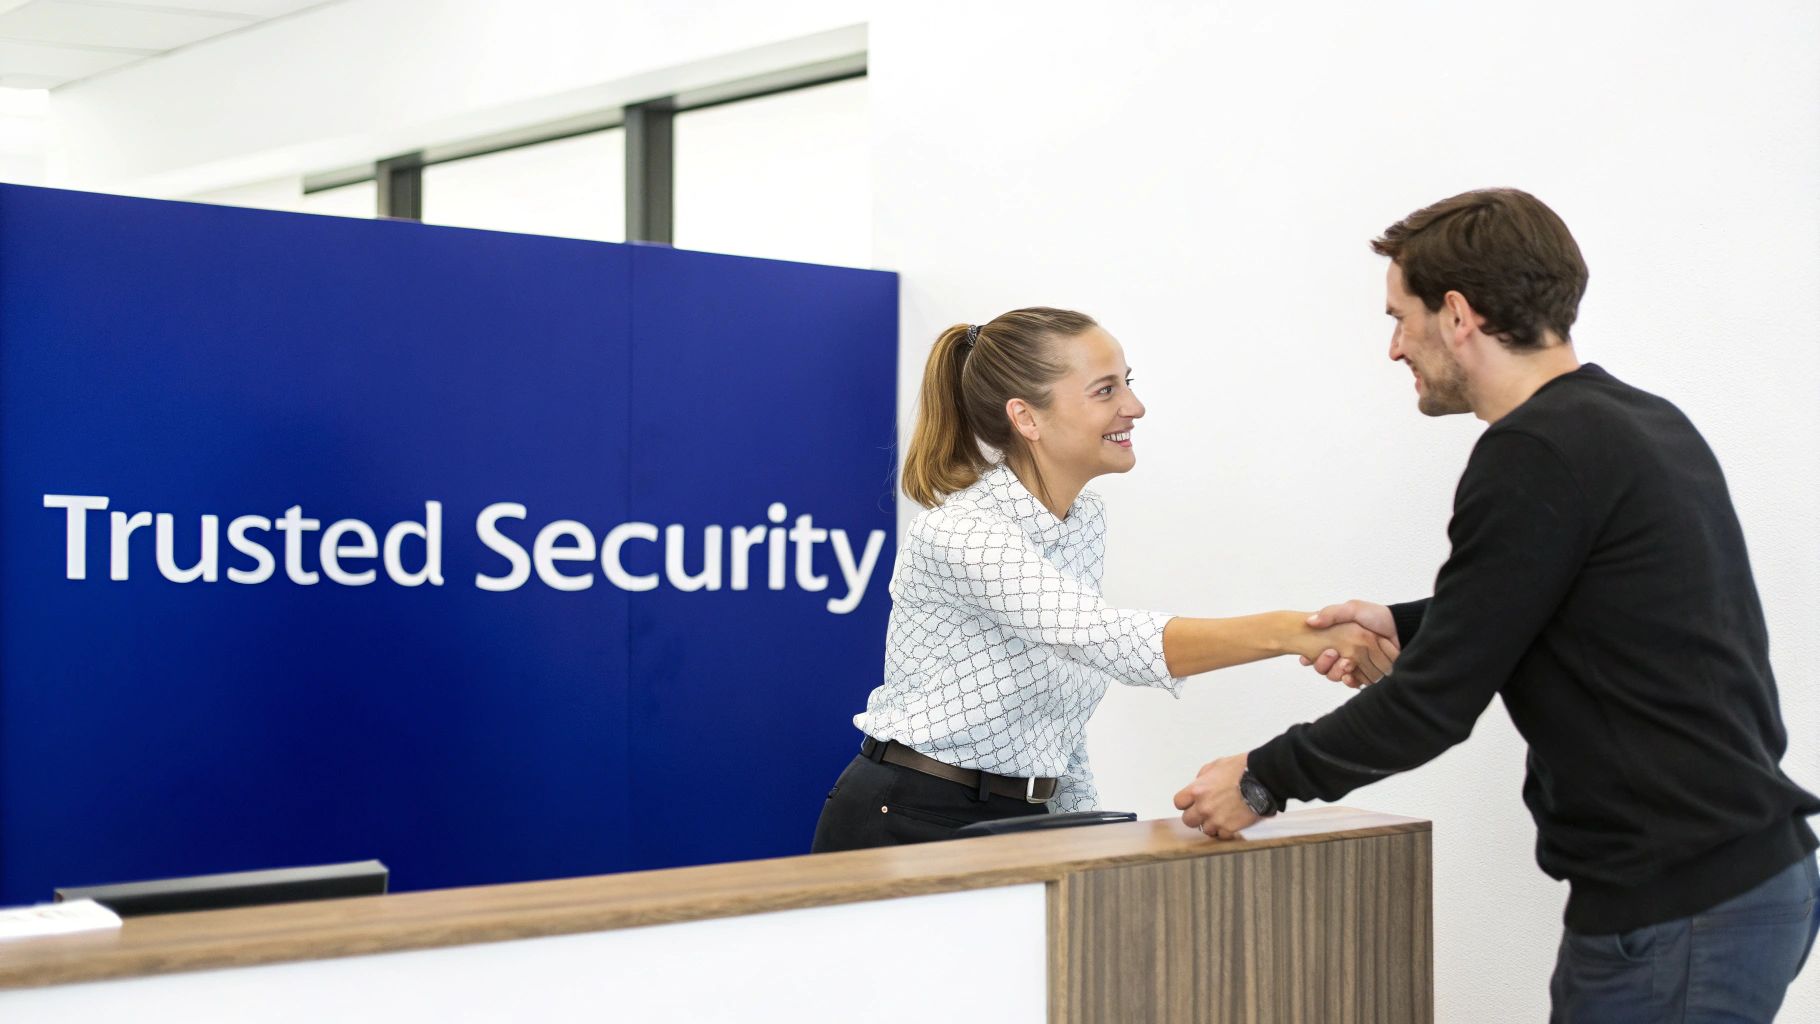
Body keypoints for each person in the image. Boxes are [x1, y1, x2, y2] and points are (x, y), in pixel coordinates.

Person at [1172, 188, 1820, 1022]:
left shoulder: (1533, 452)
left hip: (1679, 908)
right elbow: (1563, 606)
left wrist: (1263, 779)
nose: (1394, 347)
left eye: (1398, 317)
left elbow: (1433, 706)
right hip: (1739, 880)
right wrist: (1403, 624)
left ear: (1457, 315)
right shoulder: (1637, 421)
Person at [811, 307, 1399, 853]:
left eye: (1128, 381)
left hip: (1017, 821)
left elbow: (1059, 710)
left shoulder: (1083, 521)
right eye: (1106, 390)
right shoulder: (962, 531)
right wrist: (1295, 631)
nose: (1135, 406)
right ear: (1026, 417)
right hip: (905, 817)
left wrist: (1085, 828)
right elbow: (1102, 638)